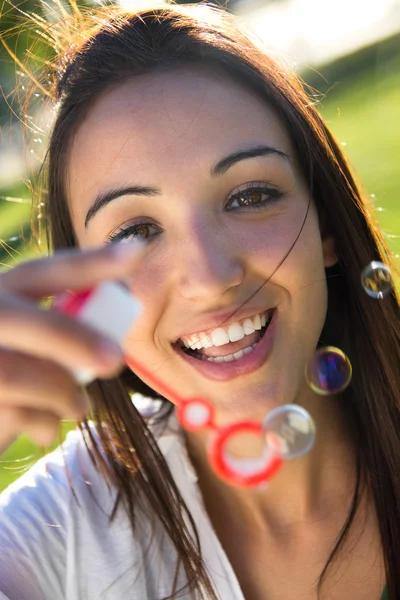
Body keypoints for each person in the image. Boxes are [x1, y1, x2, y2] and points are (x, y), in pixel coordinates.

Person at [0, 2, 397, 598]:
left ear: (326, 230)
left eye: (250, 195)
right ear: (87, 298)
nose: (210, 278)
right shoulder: (58, 538)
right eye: (135, 232)